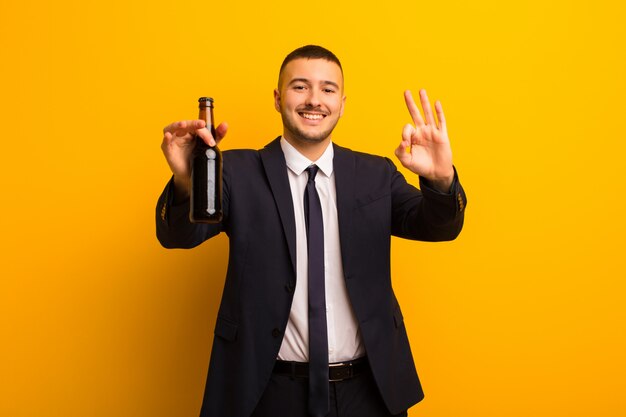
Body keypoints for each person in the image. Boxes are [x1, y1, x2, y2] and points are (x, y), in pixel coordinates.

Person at [156, 45, 467, 417]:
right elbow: (179, 237)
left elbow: (439, 226)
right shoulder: (236, 172)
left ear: (342, 102)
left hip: (369, 393)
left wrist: (441, 180)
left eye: (328, 89)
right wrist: (186, 181)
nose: (314, 100)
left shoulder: (375, 174)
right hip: (267, 393)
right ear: (277, 98)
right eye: (300, 87)